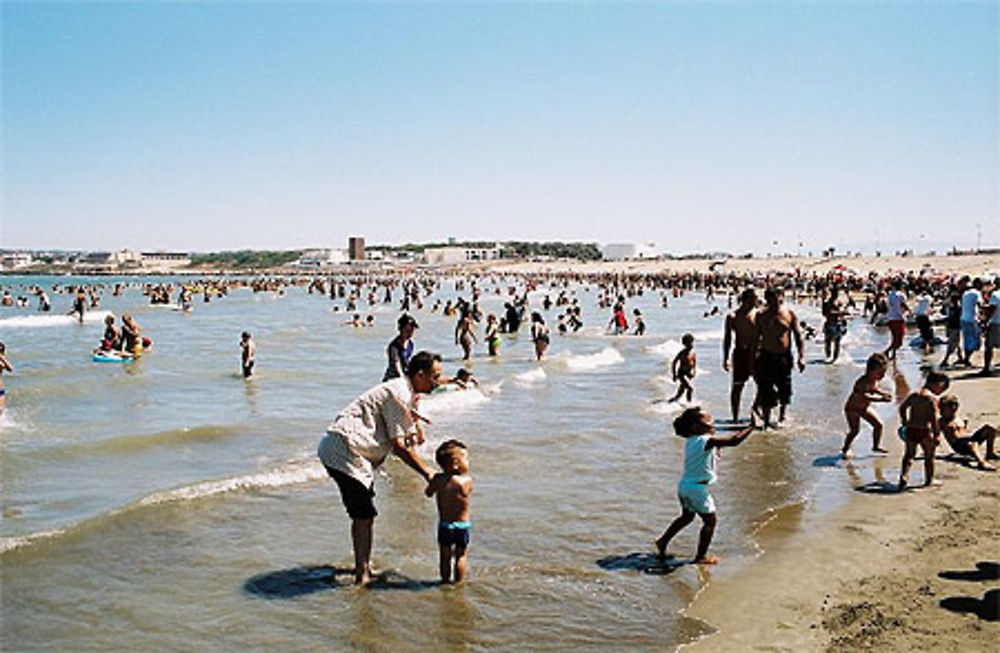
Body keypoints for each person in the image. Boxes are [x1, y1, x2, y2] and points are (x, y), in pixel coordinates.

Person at [317, 351, 442, 584]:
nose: (437, 382)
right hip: (344, 450)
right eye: (435, 377)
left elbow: (403, 430)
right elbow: (399, 447)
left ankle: (362, 565)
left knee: (364, 513)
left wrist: (414, 426)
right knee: (363, 514)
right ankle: (362, 574)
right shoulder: (399, 393)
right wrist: (428, 473)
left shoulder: (407, 391)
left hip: (354, 452)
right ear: (420, 375)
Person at [654, 407, 756, 565]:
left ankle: (663, 541)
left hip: (684, 486)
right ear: (696, 427)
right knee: (710, 522)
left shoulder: (693, 440)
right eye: (708, 422)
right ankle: (700, 556)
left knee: (686, 517)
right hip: (697, 489)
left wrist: (717, 448)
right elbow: (734, 441)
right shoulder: (705, 440)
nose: (713, 423)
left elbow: (710, 450)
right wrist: (750, 427)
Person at [754, 286, 805, 427]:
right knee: (766, 388)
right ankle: (766, 421)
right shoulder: (761, 315)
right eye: (770, 300)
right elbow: (756, 339)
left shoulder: (789, 314)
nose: (774, 303)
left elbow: (798, 336)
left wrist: (802, 357)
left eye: (776, 299)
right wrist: (753, 359)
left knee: (785, 387)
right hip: (766, 356)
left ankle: (782, 417)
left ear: (781, 297)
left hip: (784, 356)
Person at [425, 439, 473, 584]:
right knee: (461, 556)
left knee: (445, 556)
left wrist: (433, 481)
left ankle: (444, 581)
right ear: (455, 463)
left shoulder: (438, 480)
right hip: (462, 526)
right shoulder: (467, 481)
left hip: (445, 525)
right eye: (466, 458)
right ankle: (458, 583)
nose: (468, 463)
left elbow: (428, 493)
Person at [897, 371, 950, 490]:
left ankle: (904, 476)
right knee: (929, 456)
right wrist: (936, 434)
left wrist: (905, 421)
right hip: (925, 430)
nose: (941, 392)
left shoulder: (915, 394)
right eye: (942, 388)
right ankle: (928, 480)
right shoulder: (931, 399)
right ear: (937, 384)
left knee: (909, 455)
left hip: (911, 429)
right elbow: (934, 418)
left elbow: (902, 408)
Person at [841, 353, 892, 458]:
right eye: (880, 373)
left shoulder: (875, 380)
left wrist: (882, 393)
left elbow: (873, 389)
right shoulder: (862, 382)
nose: (882, 375)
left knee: (879, 425)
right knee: (854, 431)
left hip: (863, 408)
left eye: (884, 373)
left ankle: (876, 446)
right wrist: (881, 399)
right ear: (870, 370)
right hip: (852, 409)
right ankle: (845, 448)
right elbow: (865, 396)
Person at [723, 288, 758, 422]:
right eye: (754, 298)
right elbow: (727, 339)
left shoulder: (759, 315)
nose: (757, 300)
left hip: (756, 353)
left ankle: (754, 409)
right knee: (737, 387)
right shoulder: (732, 316)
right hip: (740, 353)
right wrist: (726, 358)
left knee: (762, 385)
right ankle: (735, 417)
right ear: (746, 299)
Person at [938, 394, 997, 470]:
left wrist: (965, 426)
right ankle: (981, 462)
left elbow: (964, 431)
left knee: (989, 428)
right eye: (946, 409)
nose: (952, 410)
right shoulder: (942, 421)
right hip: (958, 444)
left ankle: (990, 452)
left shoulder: (958, 419)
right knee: (972, 444)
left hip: (969, 438)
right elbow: (934, 432)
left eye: (953, 407)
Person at [382, 314, 418, 382]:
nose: (410, 333)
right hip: (392, 378)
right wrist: (403, 379)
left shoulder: (410, 343)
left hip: (405, 374)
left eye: (412, 331)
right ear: (401, 329)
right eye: (407, 330)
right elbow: (396, 365)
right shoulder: (393, 347)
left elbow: (408, 361)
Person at [959, 278, 983, 366]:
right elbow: (980, 305)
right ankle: (966, 359)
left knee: (967, 340)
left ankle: (966, 358)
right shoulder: (977, 293)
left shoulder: (966, 293)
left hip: (964, 319)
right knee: (976, 342)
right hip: (973, 319)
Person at [883, 280, 908, 360]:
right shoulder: (901, 295)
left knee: (894, 338)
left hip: (890, 318)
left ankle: (893, 355)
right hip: (899, 318)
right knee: (899, 341)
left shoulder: (890, 294)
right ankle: (886, 352)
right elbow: (903, 304)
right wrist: (909, 311)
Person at [669, 334, 697, 403]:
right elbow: (674, 363)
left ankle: (670, 403)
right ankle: (689, 405)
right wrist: (674, 375)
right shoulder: (682, 353)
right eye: (689, 343)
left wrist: (694, 372)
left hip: (688, 374)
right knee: (690, 389)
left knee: (680, 393)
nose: (691, 344)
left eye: (692, 342)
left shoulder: (693, 353)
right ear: (685, 344)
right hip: (681, 374)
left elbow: (694, 363)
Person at [821, 286, 846, 362]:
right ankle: (829, 356)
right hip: (830, 323)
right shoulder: (827, 302)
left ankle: (835, 358)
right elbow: (824, 313)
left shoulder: (838, 302)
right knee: (828, 341)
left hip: (837, 324)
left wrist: (836, 313)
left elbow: (842, 312)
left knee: (836, 342)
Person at [939, 291, 963, 367]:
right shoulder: (953, 308)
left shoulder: (956, 308)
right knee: (956, 343)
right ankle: (960, 357)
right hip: (953, 327)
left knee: (951, 344)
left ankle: (945, 360)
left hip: (954, 327)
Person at [982, 277, 999, 375]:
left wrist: (985, 320)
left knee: (989, 346)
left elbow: (992, 309)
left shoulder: (995, 295)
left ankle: (986, 368)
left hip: (996, 323)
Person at [0, 342, 12, 415]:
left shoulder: (2, 362)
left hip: (0, 390)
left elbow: (10, 369)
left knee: (0, 411)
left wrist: (2, 357)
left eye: (1, 351)